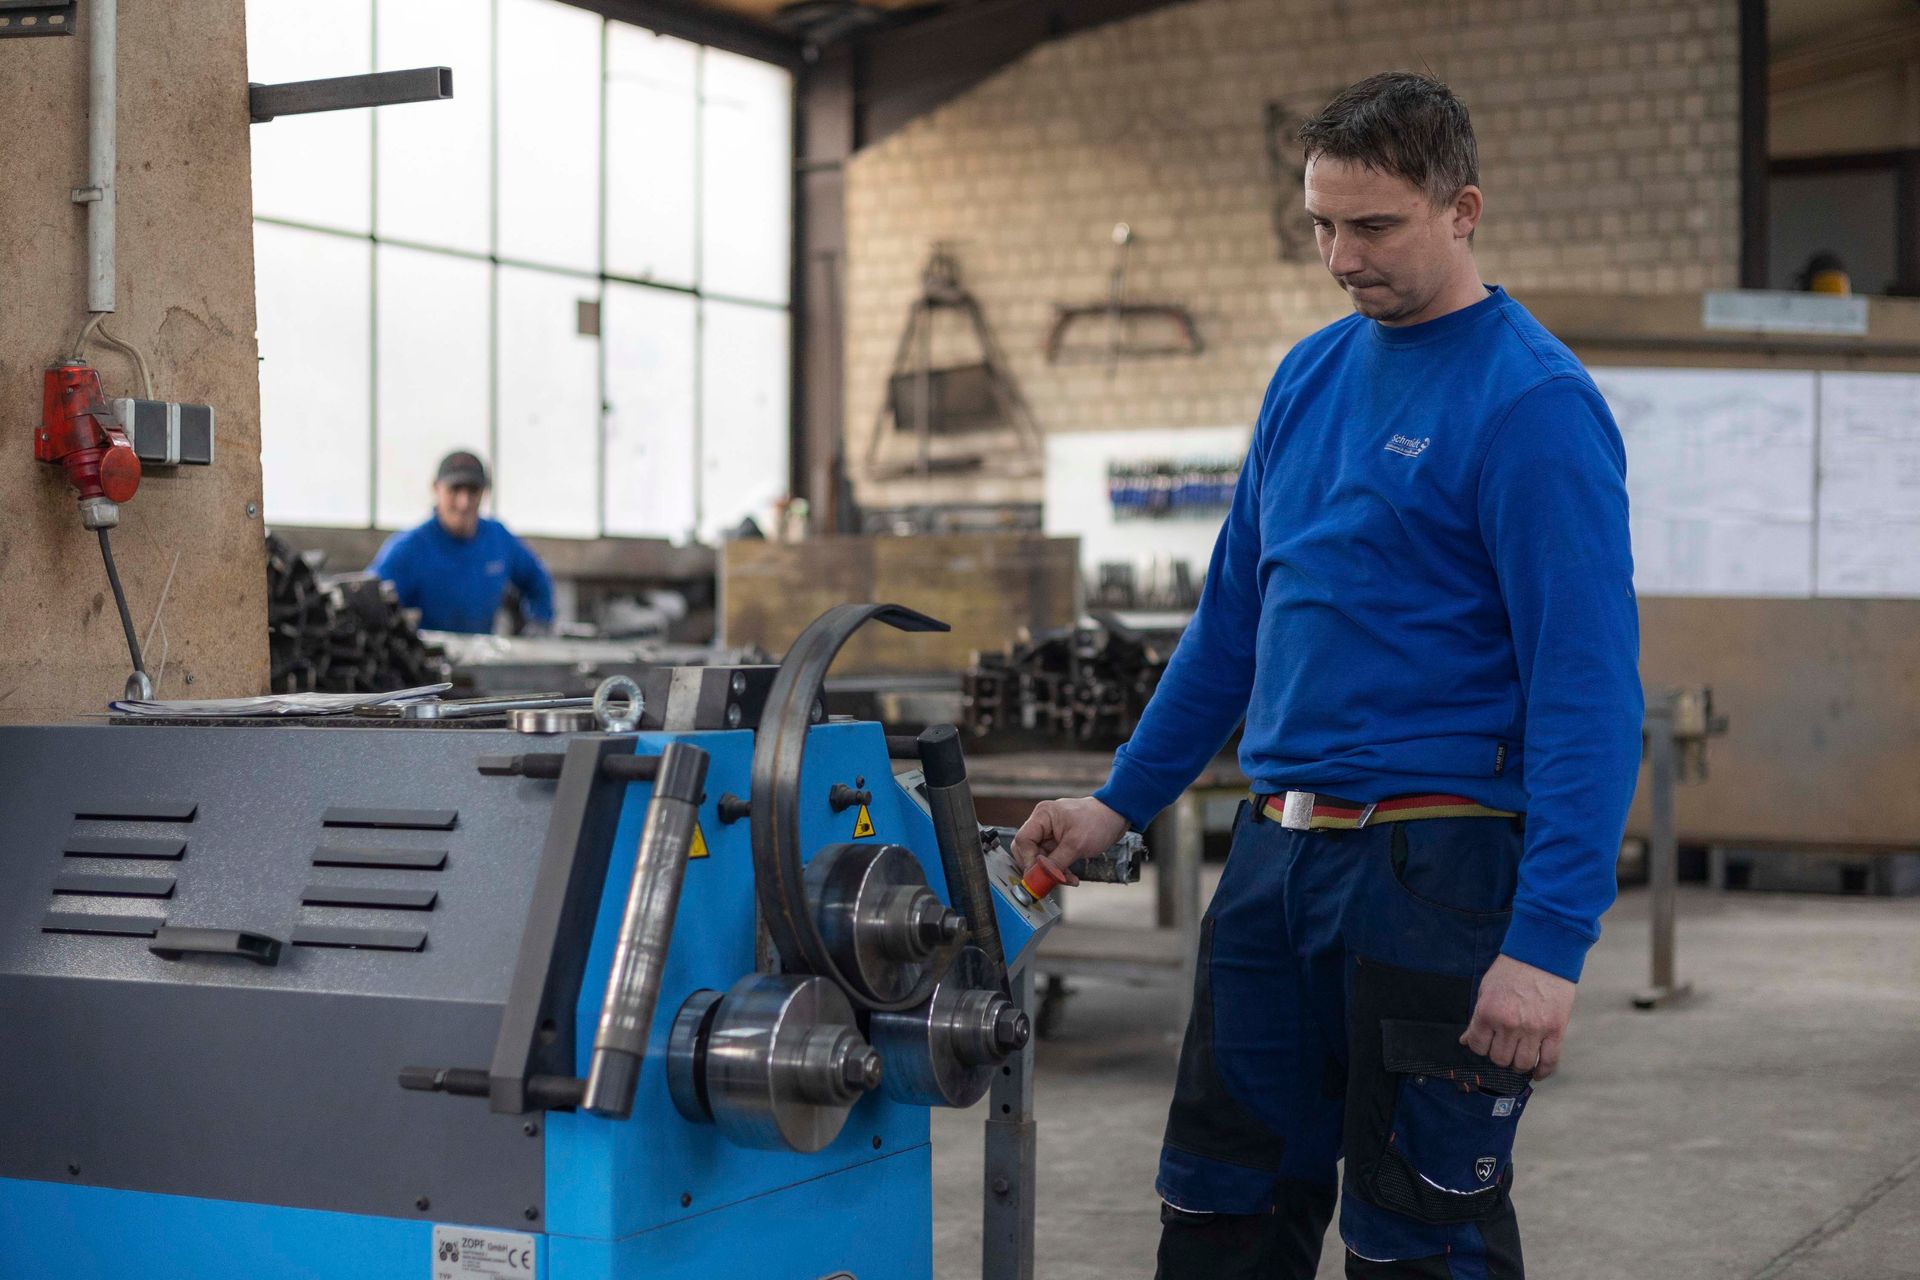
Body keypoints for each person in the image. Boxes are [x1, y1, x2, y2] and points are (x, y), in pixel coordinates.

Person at [1010, 73, 1642, 1279]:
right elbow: (1230, 628)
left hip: (1436, 870)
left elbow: (1588, 690)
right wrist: (1116, 802)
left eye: (1373, 226)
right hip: (1272, 863)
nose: (1341, 257)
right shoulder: (1305, 378)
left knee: (1420, 1233)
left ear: (1461, 209)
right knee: (1218, 1211)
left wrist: (1550, 942)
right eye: (1320, 225)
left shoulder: (1534, 405)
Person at [368, 450, 555, 635]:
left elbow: (537, 579)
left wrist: (539, 623)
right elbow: (367, 602)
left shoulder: (498, 539)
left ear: (484, 493)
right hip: (426, 660)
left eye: (473, 490)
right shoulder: (408, 550)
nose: (464, 502)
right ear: (436, 488)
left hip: (480, 658)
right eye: (455, 489)